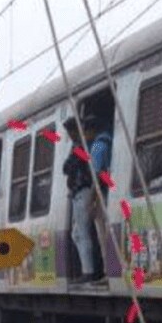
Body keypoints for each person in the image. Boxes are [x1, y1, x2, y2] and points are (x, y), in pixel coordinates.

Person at [63, 115, 104, 284]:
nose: (70, 135)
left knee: (83, 233)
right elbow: (67, 167)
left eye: (71, 131)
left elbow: (68, 166)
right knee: (77, 233)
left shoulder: (83, 147)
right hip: (78, 193)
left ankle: (89, 272)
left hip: (84, 191)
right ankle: (88, 270)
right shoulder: (79, 146)